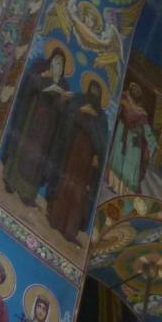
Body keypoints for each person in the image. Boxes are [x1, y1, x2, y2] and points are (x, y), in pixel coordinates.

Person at [1, 47, 71, 204]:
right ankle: (11, 182)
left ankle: (27, 193)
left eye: (61, 62)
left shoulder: (64, 85)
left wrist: (62, 101)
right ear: (50, 60)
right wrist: (41, 78)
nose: (58, 64)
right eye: (56, 60)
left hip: (47, 130)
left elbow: (62, 114)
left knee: (37, 160)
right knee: (22, 149)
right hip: (31, 119)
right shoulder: (40, 68)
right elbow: (29, 87)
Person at [46, 78, 108, 243]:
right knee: (64, 185)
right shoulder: (79, 101)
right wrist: (81, 112)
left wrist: (91, 119)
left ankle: (70, 231)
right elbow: (68, 118)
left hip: (86, 164)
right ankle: (55, 219)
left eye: (97, 93)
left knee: (79, 196)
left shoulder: (101, 117)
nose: (93, 95)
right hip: (71, 153)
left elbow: (101, 143)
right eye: (92, 91)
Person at [108, 82, 156, 194]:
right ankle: (116, 187)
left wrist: (152, 143)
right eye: (133, 90)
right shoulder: (126, 105)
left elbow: (147, 132)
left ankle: (123, 190)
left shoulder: (140, 113)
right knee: (119, 163)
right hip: (124, 139)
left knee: (127, 167)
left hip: (132, 143)